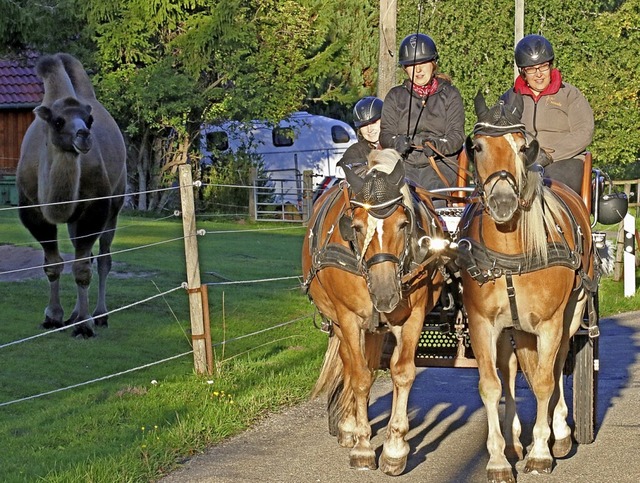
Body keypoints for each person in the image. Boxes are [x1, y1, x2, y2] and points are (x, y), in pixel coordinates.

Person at [501, 34, 594, 194]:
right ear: (523, 72)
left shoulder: (569, 94)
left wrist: (550, 154)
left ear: (550, 66)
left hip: (565, 159)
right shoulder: (510, 98)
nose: (538, 74)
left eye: (543, 67)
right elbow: (498, 131)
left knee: (549, 185)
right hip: (521, 161)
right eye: (531, 69)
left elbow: (584, 131)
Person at [379, 33, 465, 192]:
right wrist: (396, 143)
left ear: (433, 63)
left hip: (439, 165)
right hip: (404, 163)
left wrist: (437, 145)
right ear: (405, 69)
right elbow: (385, 135)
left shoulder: (450, 95)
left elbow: (456, 136)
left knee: (433, 195)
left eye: (423, 62)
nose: (418, 70)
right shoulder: (395, 96)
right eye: (411, 65)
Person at [337, 96, 384, 174]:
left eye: (373, 123)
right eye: (364, 125)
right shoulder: (354, 152)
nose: (369, 129)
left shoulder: (397, 144)